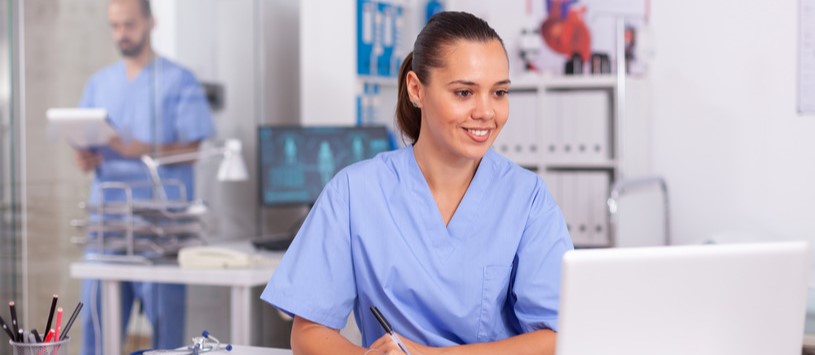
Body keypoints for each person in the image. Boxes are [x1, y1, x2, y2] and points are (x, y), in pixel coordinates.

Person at [261, 11, 573, 355]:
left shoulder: (527, 199)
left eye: (499, 92)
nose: (486, 111)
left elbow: (557, 336)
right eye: (465, 92)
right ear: (416, 89)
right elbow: (308, 334)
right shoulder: (355, 192)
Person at [74, 0, 215, 354]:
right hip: (107, 227)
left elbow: (193, 149)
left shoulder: (178, 80)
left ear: (151, 22)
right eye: (115, 26)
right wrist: (85, 156)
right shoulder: (98, 83)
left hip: (159, 231)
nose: (121, 34)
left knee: (167, 333)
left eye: (129, 25)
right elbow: (84, 141)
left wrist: (141, 149)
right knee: (95, 328)